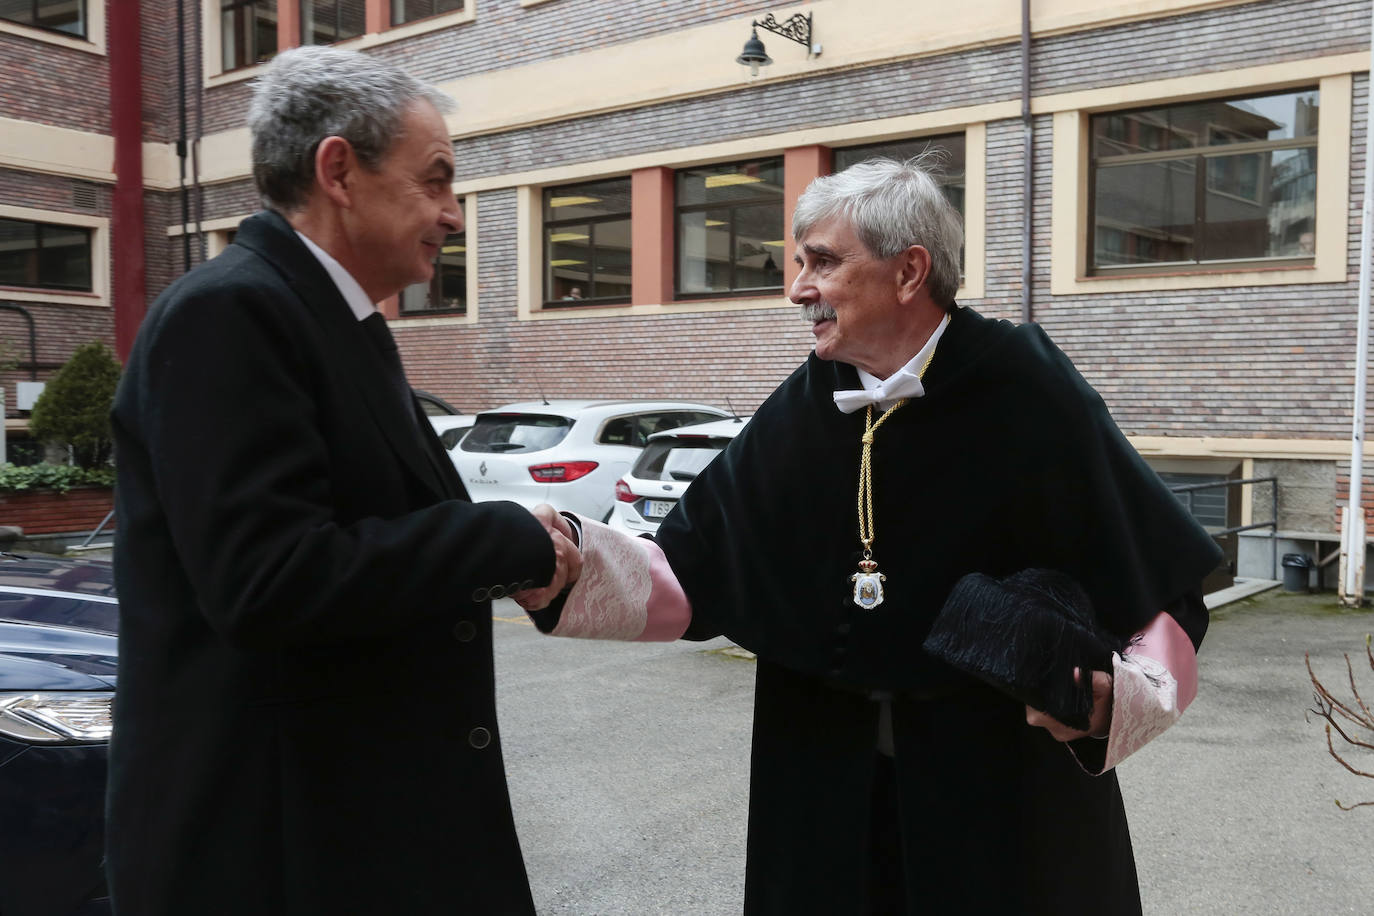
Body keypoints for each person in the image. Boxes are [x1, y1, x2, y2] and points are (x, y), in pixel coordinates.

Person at [518, 157, 1222, 914]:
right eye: (798, 264)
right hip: (827, 785)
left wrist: (1110, 700)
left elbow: (1159, 584)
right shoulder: (803, 404)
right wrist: (565, 559)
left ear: (910, 272)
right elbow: (693, 571)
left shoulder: (1026, 386)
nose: (798, 290)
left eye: (822, 262)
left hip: (999, 791)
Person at [107, 46, 578, 915]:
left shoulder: (334, 320)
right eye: (436, 181)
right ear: (339, 171)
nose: (453, 215)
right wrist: (503, 535)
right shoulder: (230, 312)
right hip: (275, 849)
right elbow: (268, 579)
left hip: (355, 831)